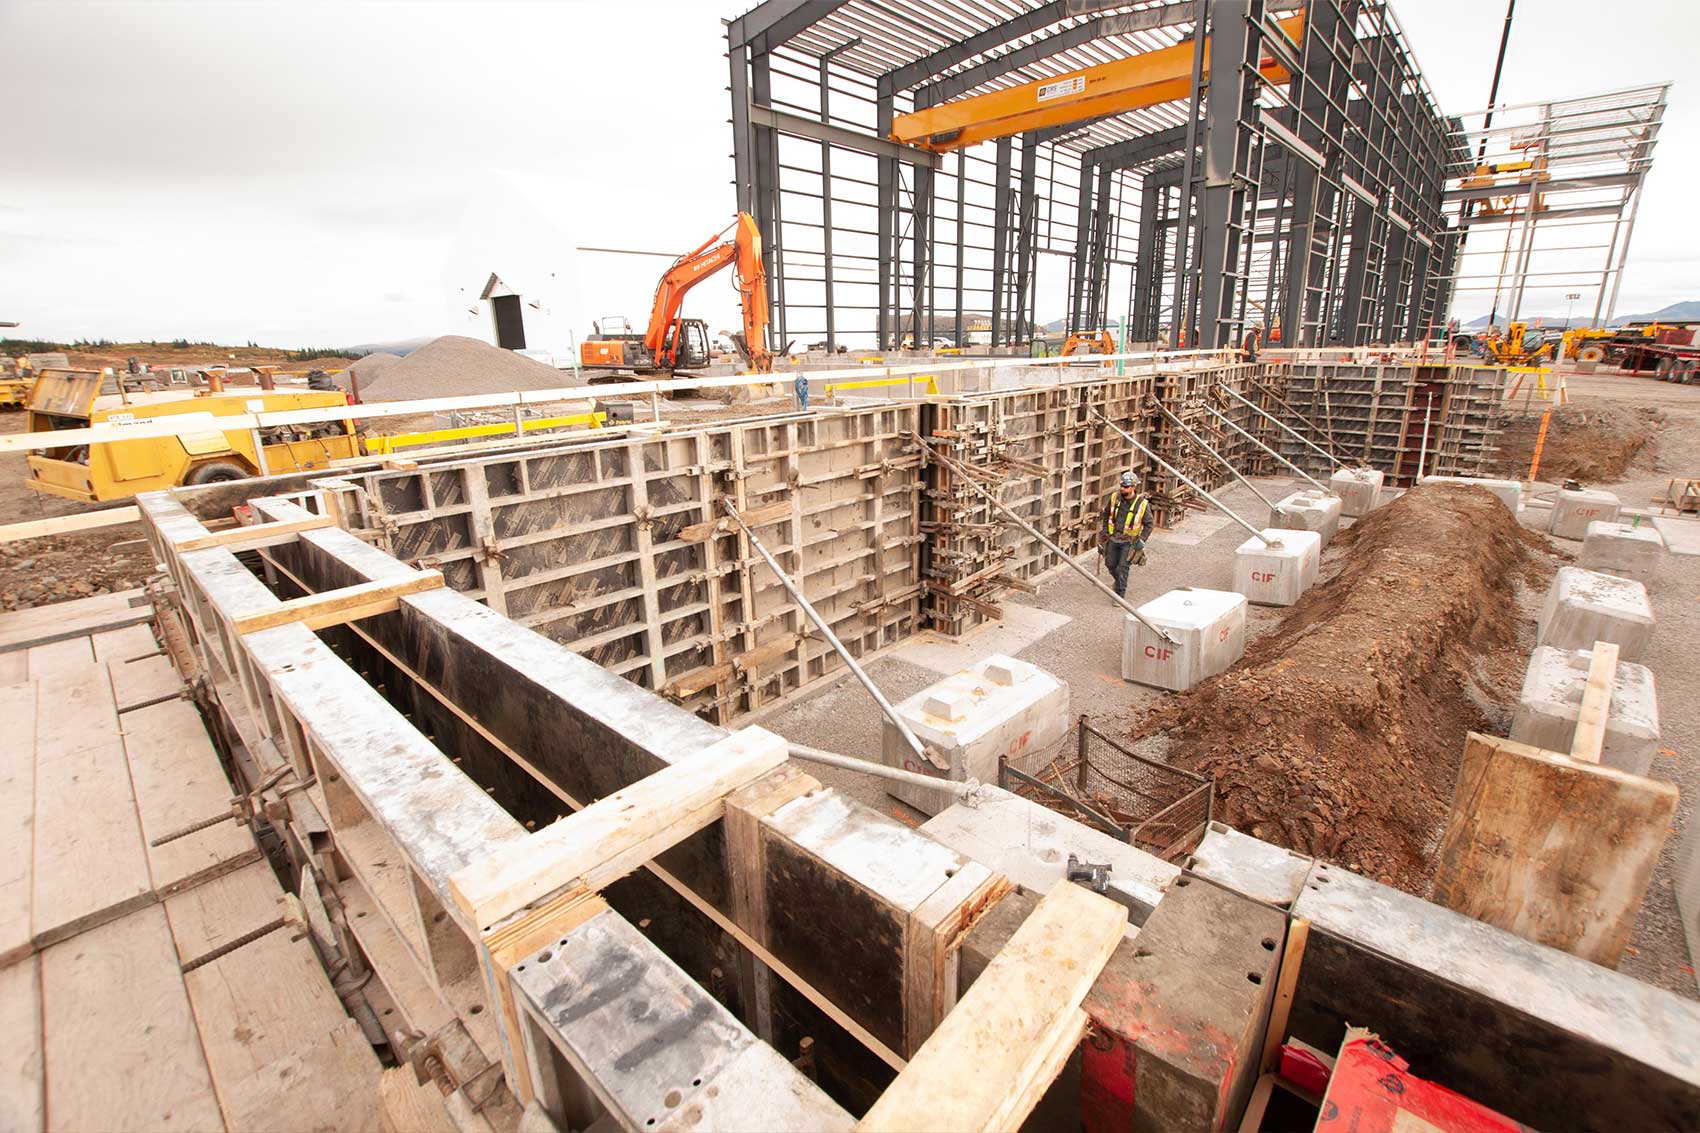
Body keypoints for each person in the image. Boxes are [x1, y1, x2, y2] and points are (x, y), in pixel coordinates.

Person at [1100, 471, 1154, 597]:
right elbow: (1106, 514)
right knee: (1110, 564)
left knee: (1122, 568)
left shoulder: (1142, 504)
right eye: (1122, 486)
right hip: (1113, 539)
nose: (1122, 489)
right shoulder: (1114, 498)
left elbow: (1149, 524)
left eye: (1126, 487)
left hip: (1129, 542)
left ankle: (1120, 594)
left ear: (1134, 487)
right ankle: (1118, 582)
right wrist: (1105, 531)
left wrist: (1142, 539)